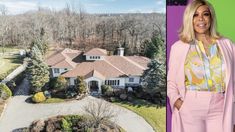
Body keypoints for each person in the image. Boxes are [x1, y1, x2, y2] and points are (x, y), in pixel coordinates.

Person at [167, 0, 235, 132]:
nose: (201, 19)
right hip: (190, 107)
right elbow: (171, 82)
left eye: (205, 14)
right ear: (189, 19)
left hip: (220, 106)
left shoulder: (227, 45)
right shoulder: (178, 47)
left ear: (211, 17)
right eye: (195, 15)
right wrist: (178, 103)